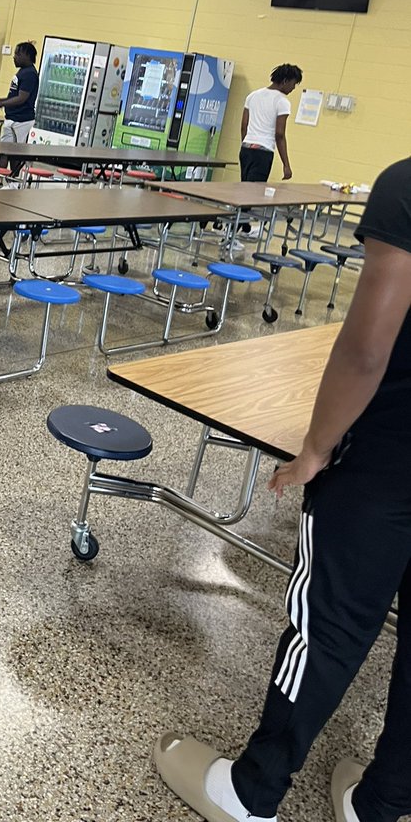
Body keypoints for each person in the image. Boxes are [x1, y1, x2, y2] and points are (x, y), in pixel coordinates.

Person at [154, 155, 411, 822]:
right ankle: (383, 803)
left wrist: (318, 447)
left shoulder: (409, 184)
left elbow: (366, 348)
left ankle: (251, 792)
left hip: (389, 459)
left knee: (327, 625)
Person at [240, 63, 303, 182]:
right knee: (254, 193)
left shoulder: (252, 96)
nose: (293, 88)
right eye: (293, 84)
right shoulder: (282, 101)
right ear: (285, 81)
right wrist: (286, 165)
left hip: (246, 149)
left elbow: (244, 126)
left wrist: (246, 144)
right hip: (263, 152)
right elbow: (279, 134)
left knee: (244, 187)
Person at [0, 41, 39, 176]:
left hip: (21, 120)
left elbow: (21, 98)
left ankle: (13, 182)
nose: (14, 57)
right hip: (12, 118)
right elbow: (14, 96)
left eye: (17, 54)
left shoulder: (30, 74)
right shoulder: (22, 72)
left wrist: (0, 104)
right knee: (4, 152)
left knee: (14, 154)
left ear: (27, 56)